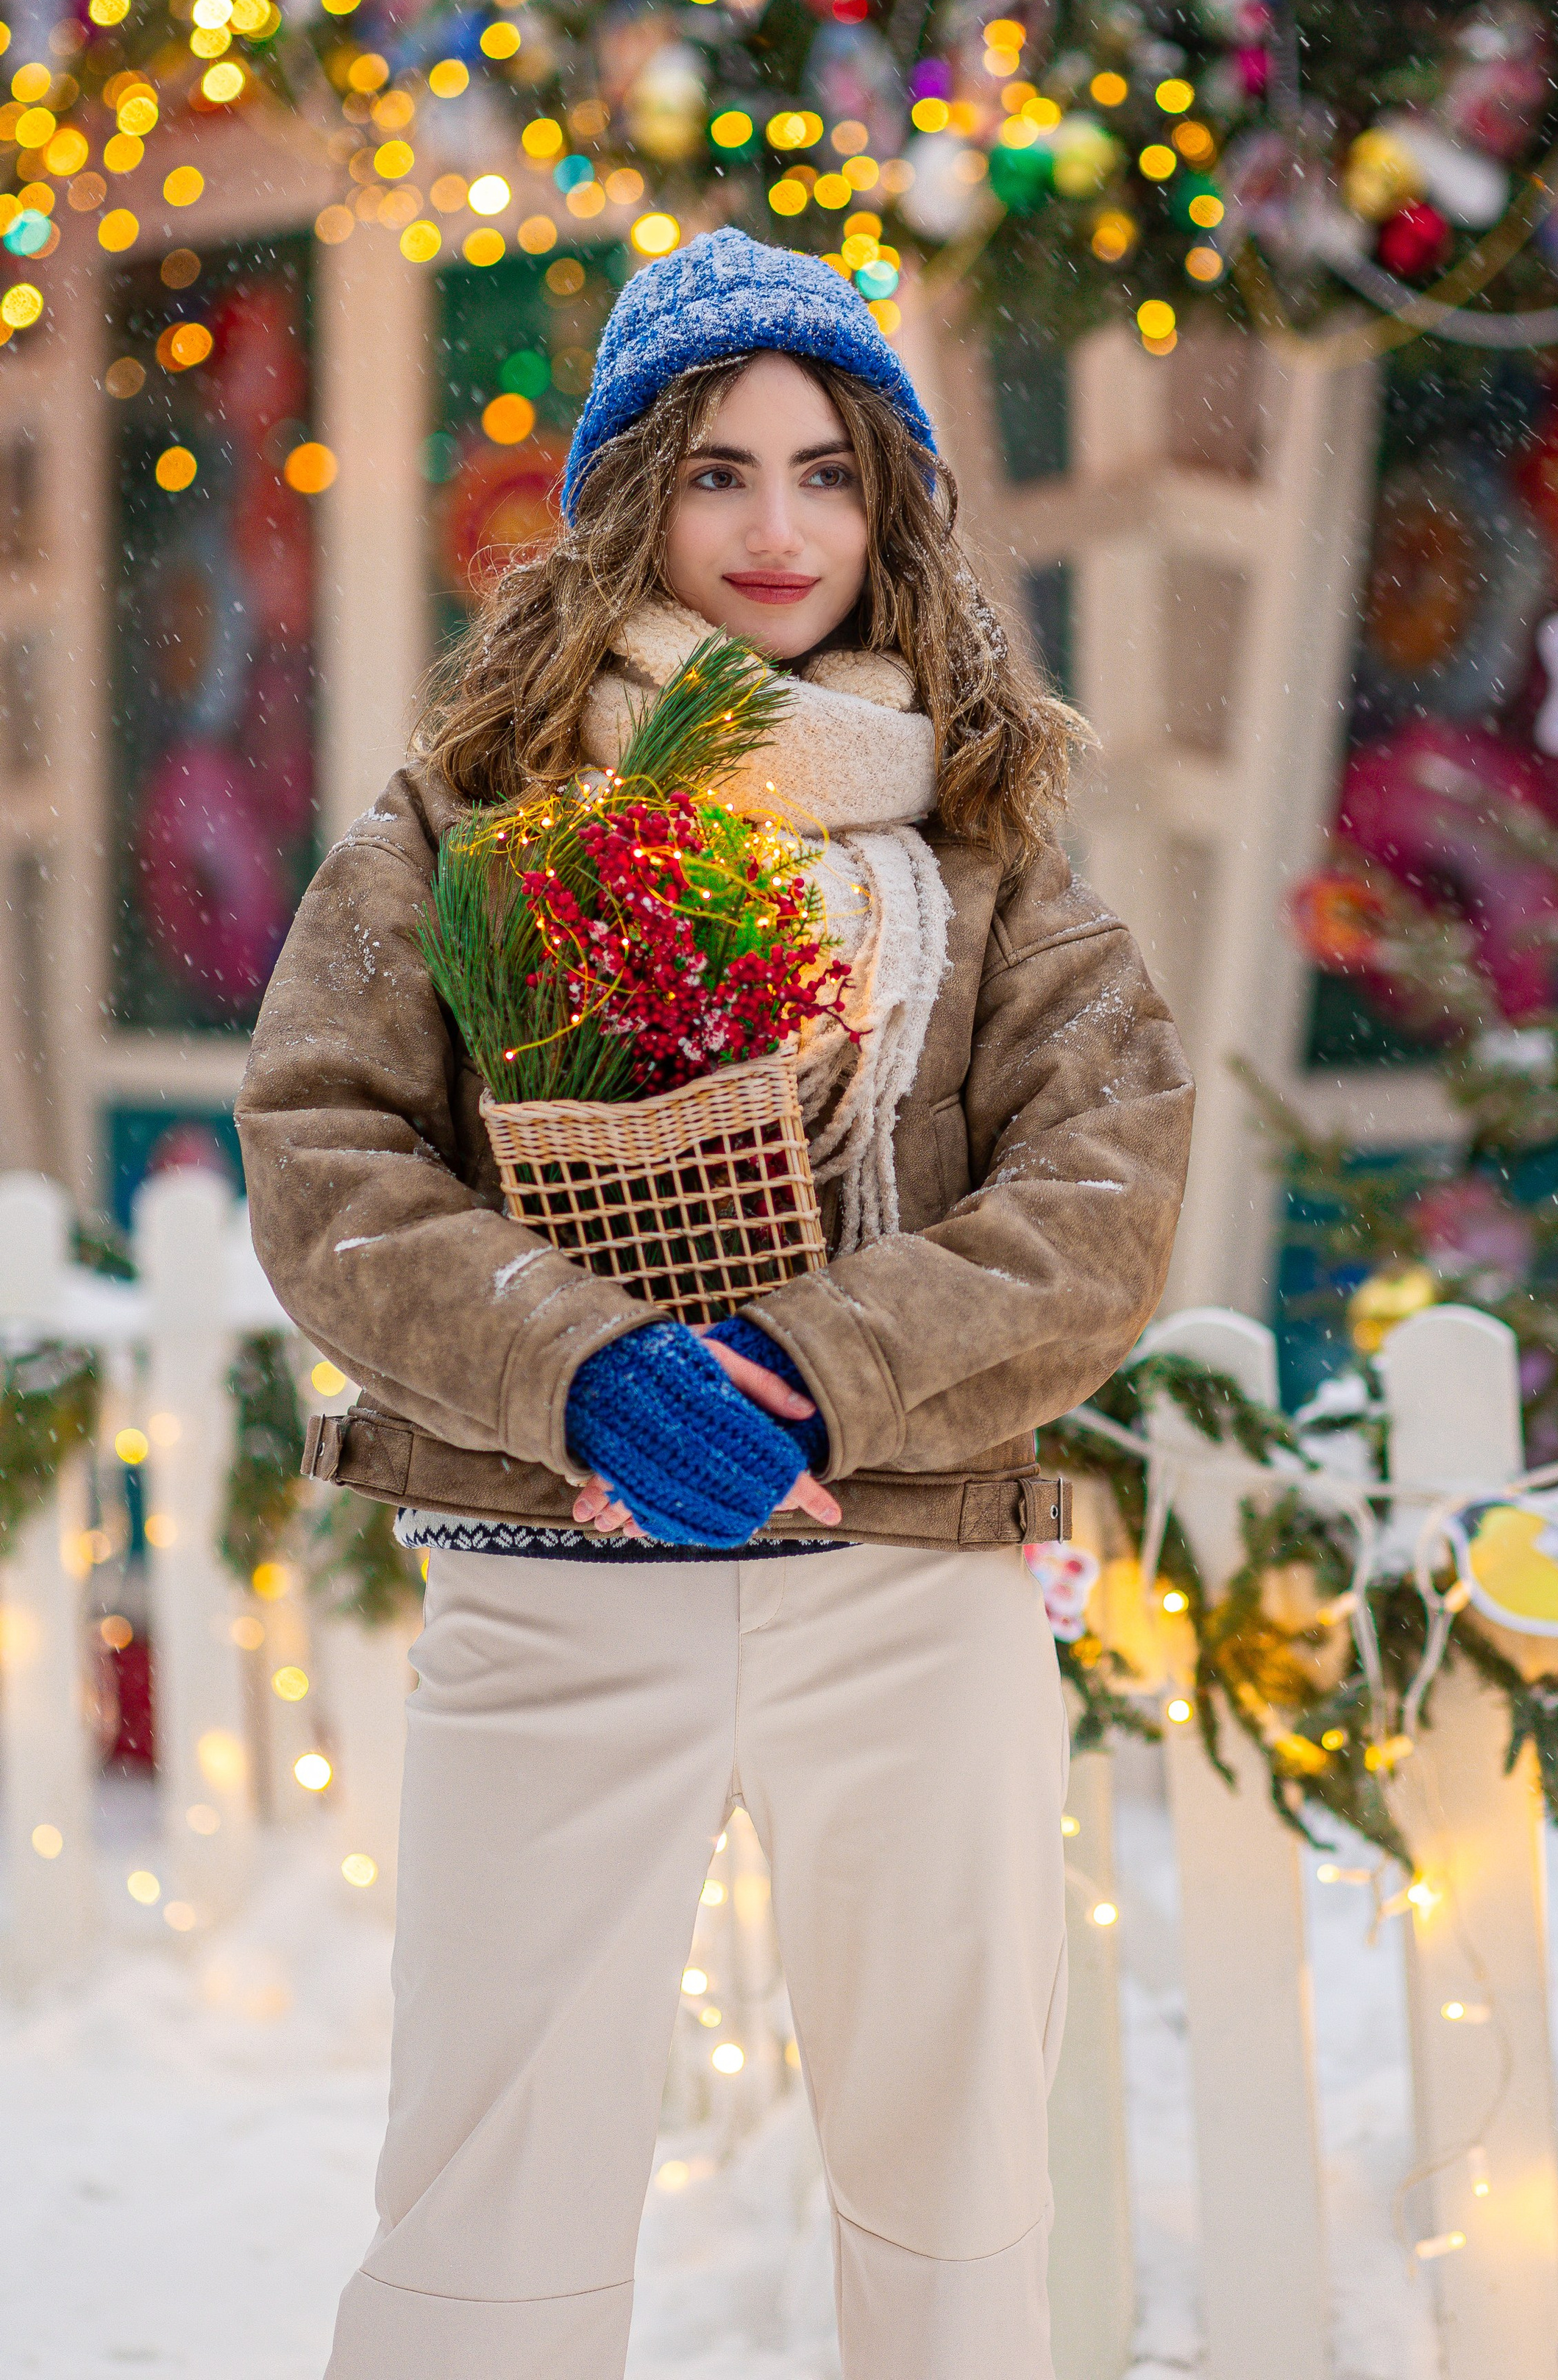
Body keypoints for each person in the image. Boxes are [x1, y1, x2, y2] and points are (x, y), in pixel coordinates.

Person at [238, 226, 1193, 2380]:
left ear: (893, 509)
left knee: (955, 2205)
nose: (780, 528)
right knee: (489, 2205)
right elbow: (324, 1151)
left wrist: (806, 1368)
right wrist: (585, 1369)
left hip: (910, 1567)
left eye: (830, 472)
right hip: (555, 1576)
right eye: (722, 471)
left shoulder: (986, 846)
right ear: (631, 499)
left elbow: (1104, 1187)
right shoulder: (474, 815)